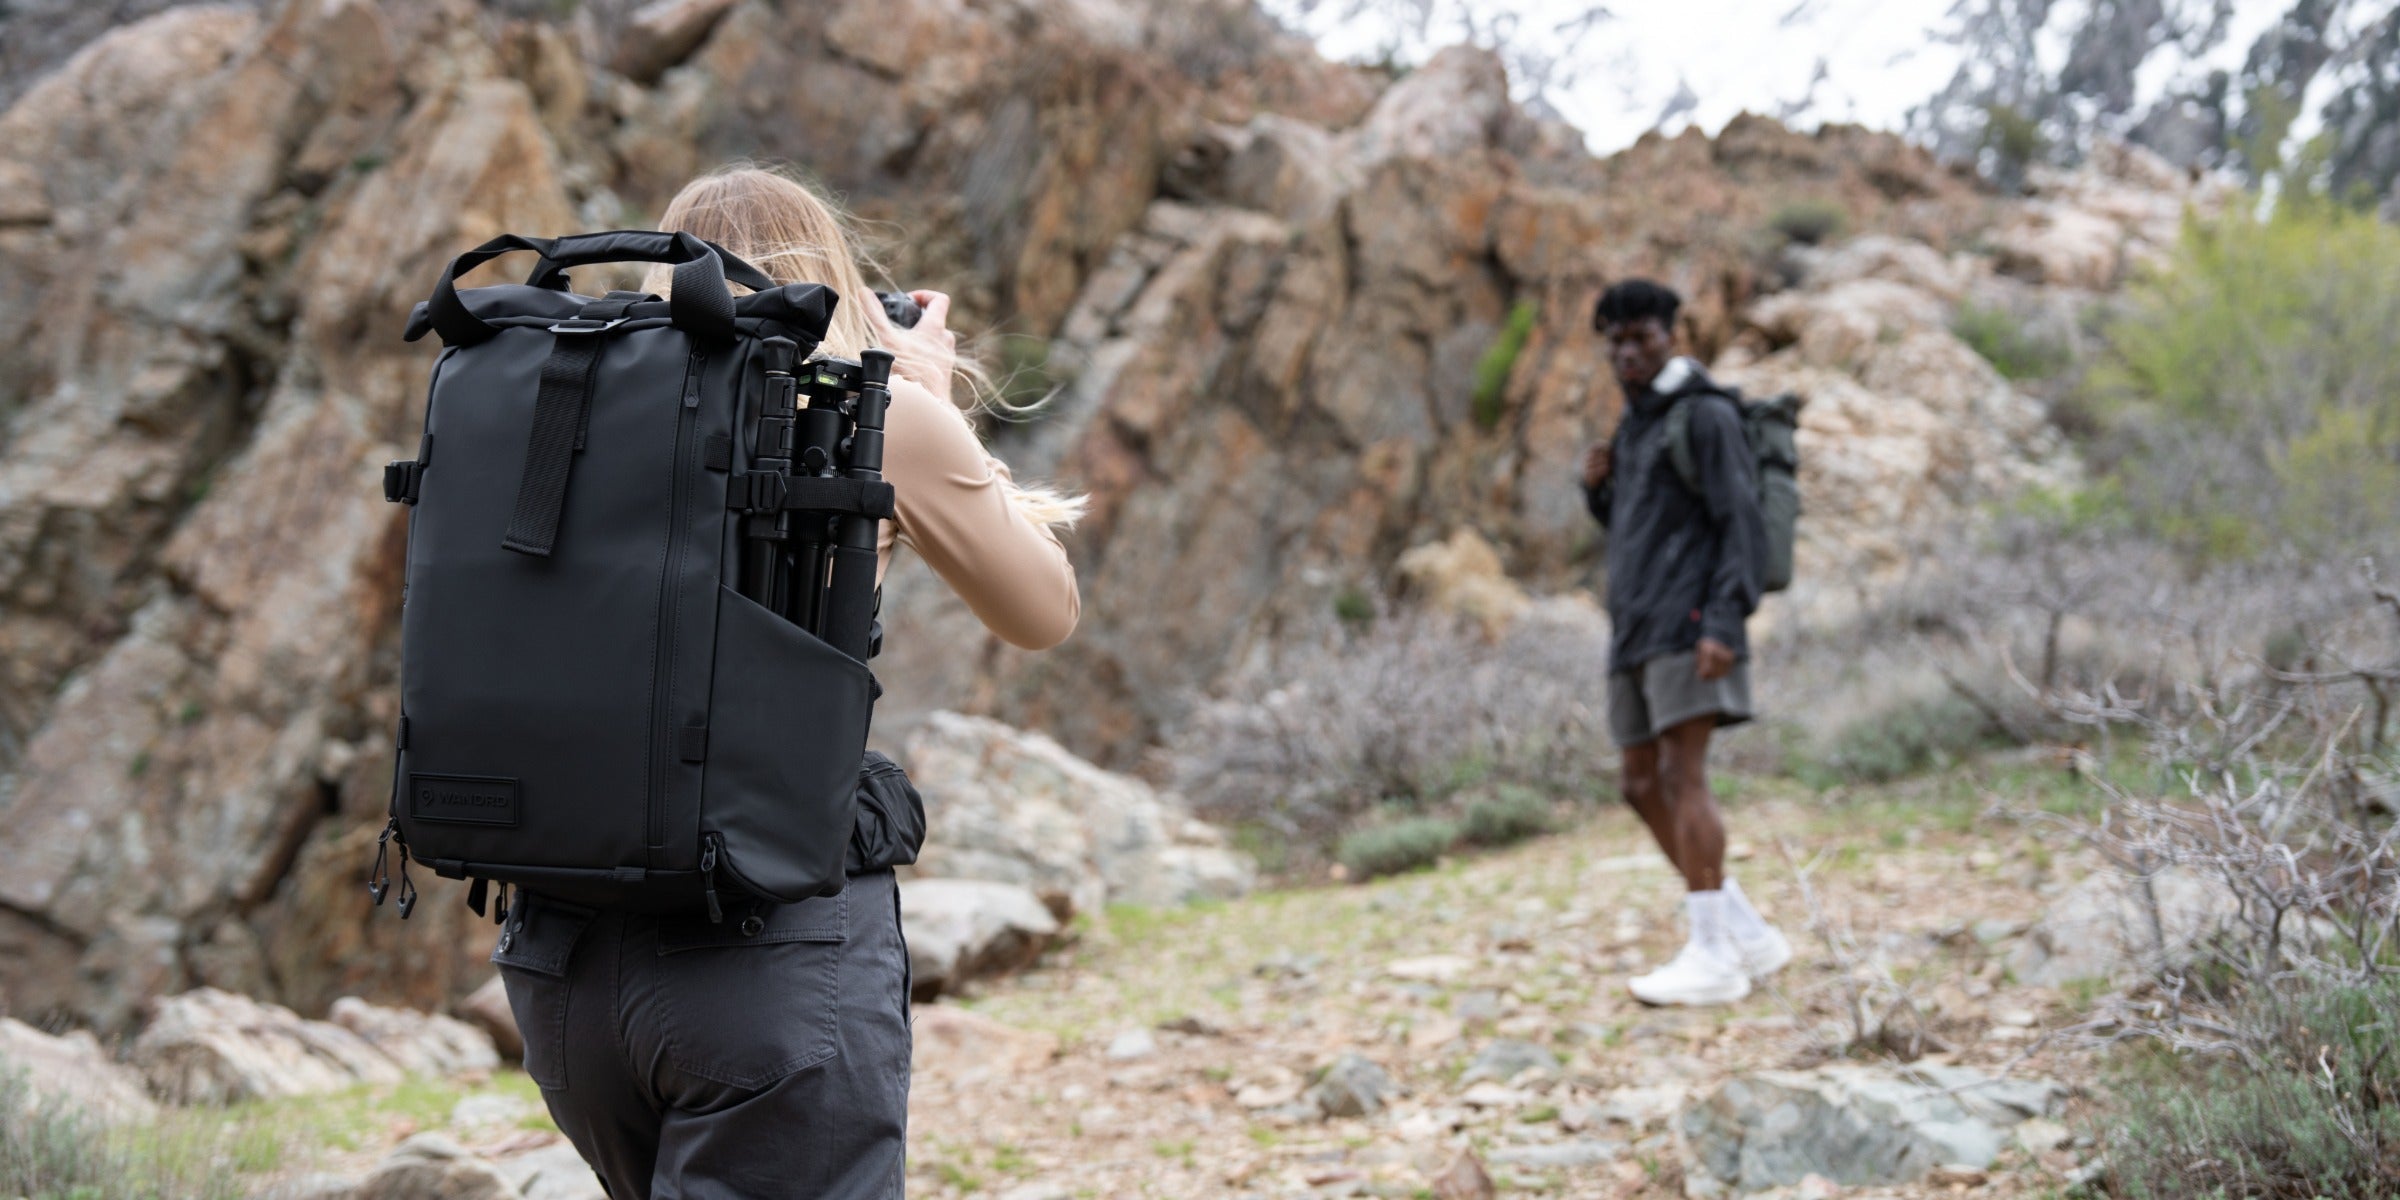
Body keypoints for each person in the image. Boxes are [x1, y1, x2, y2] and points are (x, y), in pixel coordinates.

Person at [494, 165, 1084, 1198]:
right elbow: (1042, 610)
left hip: (562, 968)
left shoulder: (562, 398)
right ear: (834, 276)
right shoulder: (868, 412)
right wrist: (928, 403)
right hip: (763, 956)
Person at [1580, 278, 1789, 1007]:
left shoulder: (1704, 414)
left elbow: (1742, 522)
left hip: (1690, 623)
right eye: (1616, 341)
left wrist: (1724, 623)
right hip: (1635, 629)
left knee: (1681, 775)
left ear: (1673, 336)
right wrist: (1599, 493)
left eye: (1641, 338)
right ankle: (1747, 933)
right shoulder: (1637, 423)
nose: (1627, 353)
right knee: (1639, 783)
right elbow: (1643, 527)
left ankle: (1714, 956)